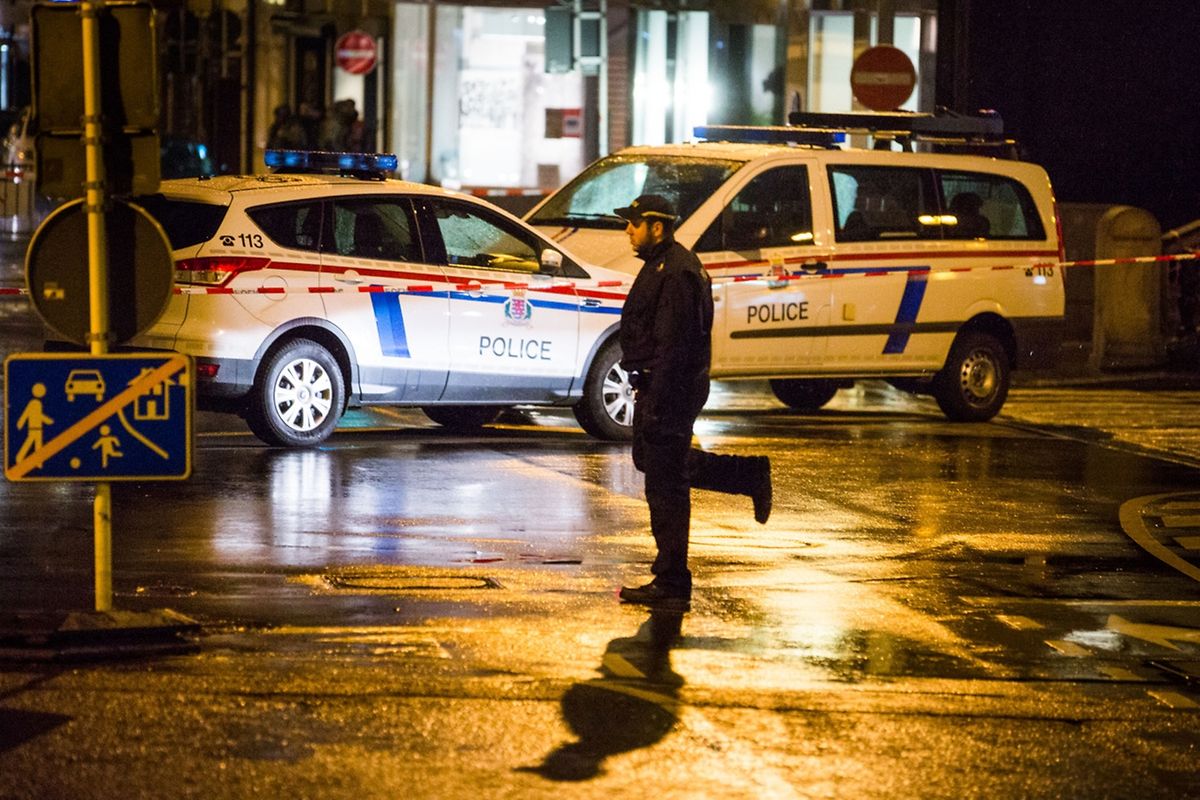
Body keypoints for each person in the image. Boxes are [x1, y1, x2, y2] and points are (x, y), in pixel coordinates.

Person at [614, 194, 772, 610]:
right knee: (658, 463)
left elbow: (676, 347)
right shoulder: (664, 265)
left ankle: (671, 581)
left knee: (665, 487)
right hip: (659, 388)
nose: (627, 230)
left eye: (634, 222)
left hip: (670, 390)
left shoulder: (678, 272)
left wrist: (658, 401)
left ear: (658, 226)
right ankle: (747, 475)